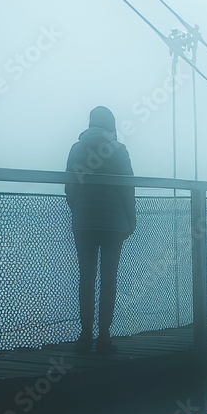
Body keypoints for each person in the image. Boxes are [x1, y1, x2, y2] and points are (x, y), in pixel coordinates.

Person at [65, 106, 136, 354]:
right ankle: (104, 336)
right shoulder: (119, 150)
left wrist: (78, 210)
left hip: (84, 222)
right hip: (113, 224)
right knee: (108, 279)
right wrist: (130, 220)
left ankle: (85, 335)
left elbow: (70, 186)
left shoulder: (76, 149)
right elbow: (127, 188)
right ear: (111, 124)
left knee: (86, 278)